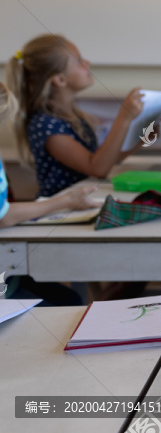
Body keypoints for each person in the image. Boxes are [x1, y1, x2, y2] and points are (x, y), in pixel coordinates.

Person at [7, 34, 145, 198]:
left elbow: (106, 161)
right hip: (59, 211)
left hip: (82, 202)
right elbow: (97, 168)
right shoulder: (45, 125)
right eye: (79, 61)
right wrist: (124, 118)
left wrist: (141, 140)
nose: (88, 63)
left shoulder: (73, 117)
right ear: (60, 79)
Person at [0, 81, 99, 305]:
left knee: (69, 298)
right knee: (69, 303)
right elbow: (3, 216)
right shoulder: (46, 125)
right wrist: (66, 201)